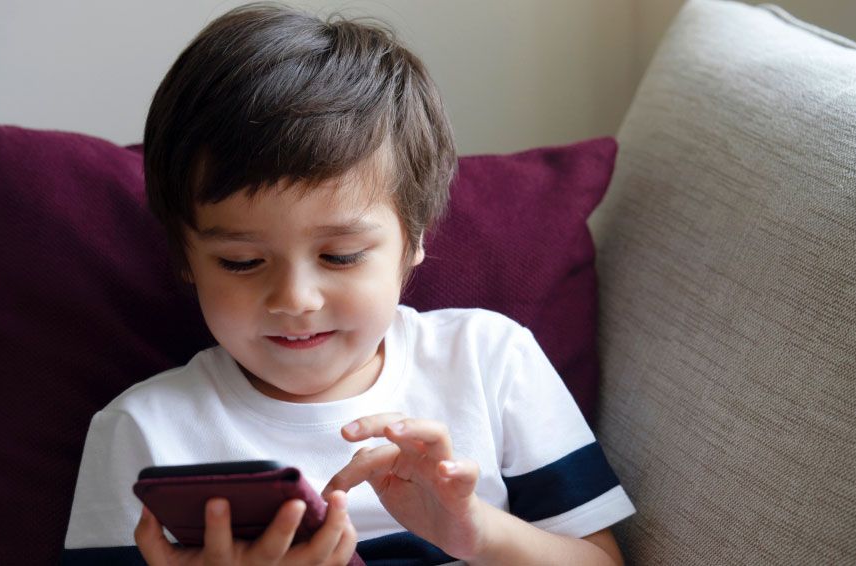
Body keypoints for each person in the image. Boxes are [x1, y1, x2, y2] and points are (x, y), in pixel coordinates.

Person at [62, 2, 635, 564]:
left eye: (340, 256)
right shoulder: (144, 432)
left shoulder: (489, 361)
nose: (295, 300)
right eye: (240, 262)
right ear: (185, 259)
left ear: (411, 242)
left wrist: (478, 534)